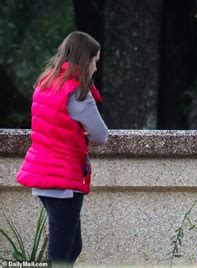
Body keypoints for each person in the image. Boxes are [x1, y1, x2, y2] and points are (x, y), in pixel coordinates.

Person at [16, 31, 108, 266]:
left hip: (42, 174)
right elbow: (101, 135)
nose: (95, 69)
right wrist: (84, 130)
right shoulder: (76, 93)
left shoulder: (45, 83)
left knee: (71, 246)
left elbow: (54, 124)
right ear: (84, 59)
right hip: (63, 179)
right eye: (94, 62)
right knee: (60, 255)